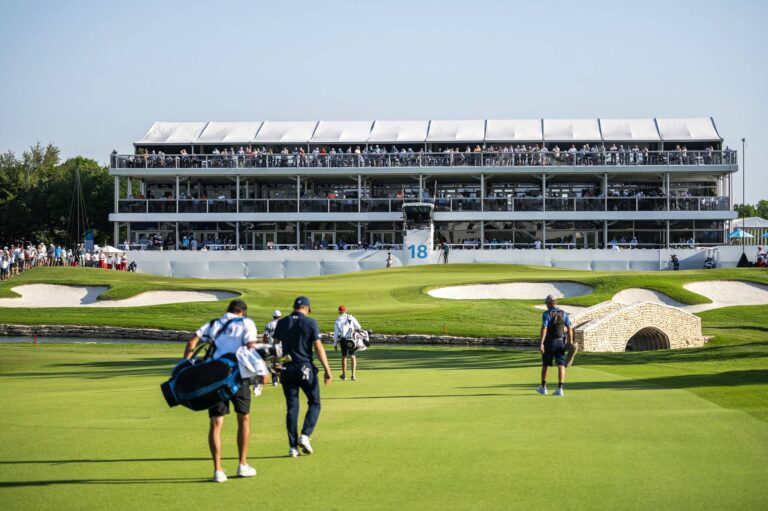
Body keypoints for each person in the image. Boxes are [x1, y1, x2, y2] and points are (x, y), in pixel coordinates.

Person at [183, 299, 261, 483]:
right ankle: (242, 464)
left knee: (216, 423)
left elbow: (192, 340)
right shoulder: (246, 322)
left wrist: (186, 363)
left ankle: (218, 470)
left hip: (213, 378)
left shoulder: (213, 324)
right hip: (237, 375)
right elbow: (251, 347)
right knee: (243, 418)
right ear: (243, 311)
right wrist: (260, 372)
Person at [273, 296, 332, 457]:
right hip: (304, 366)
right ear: (306, 308)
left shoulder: (282, 322)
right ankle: (305, 435)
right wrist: (327, 369)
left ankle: (293, 447)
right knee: (315, 402)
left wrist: (277, 367)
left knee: (292, 407)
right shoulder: (310, 322)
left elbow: (276, 346)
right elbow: (318, 347)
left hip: (286, 367)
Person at [537, 295, 573, 397]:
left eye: (546, 303)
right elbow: (570, 328)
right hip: (561, 342)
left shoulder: (547, 314)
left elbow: (544, 328)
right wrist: (569, 342)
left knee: (545, 365)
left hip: (549, 342)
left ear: (549, 303)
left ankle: (543, 388)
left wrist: (541, 343)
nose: (546, 305)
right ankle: (560, 389)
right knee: (561, 365)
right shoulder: (564, 313)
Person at [333, 305, 363, 381]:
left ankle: (344, 375)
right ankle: (353, 375)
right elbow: (359, 327)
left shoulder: (337, 321)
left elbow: (336, 334)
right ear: (345, 311)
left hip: (343, 340)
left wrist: (335, 344)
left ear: (338, 311)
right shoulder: (351, 317)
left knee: (344, 356)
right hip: (352, 339)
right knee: (353, 356)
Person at [263, 310, 282, 386]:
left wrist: (265, 345)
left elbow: (265, 336)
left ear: (273, 316)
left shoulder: (269, 324)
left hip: (272, 346)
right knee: (281, 362)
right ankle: (282, 379)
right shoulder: (282, 324)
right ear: (280, 316)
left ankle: (275, 381)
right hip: (281, 346)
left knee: (273, 363)